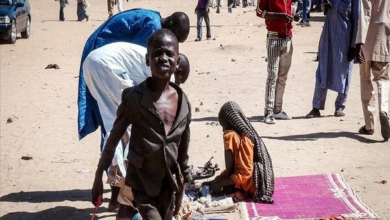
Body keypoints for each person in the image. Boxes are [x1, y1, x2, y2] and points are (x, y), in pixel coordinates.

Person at [91, 29, 192, 220]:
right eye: (157, 53)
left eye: (170, 54)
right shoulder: (134, 98)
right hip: (142, 185)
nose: (163, 58)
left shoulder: (183, 102)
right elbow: (113, 138)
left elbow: (183, 151)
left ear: (177, 62)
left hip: (168, 185)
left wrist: (182, 187)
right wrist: (98, 176)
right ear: (147, 60)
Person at [77, 8, 190, 142]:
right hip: (108, 60)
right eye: (175, 37)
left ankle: (112, 160)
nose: (173, 43)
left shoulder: (153, 18)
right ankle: (122, 159)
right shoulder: (153, 29)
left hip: (98, 58)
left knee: (111, 114)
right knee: (125, 113)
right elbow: (142, 69)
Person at [203, 101, 274, 203]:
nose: (223, 129)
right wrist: (217, 181)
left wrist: (222, 182)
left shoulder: (244, 138)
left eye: (223, 126)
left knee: (229, 136)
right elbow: (238, 166)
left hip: (257, 186)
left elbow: (245, 173)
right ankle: (236, 188)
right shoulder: (241, 135)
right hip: (250, 182)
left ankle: (236, 189)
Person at [306, 0, 359, 119]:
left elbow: (357, 19)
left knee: (344, 72)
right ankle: (316, 107)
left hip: (344, 38)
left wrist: (353, 46)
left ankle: (340, 106)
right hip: (328, 35)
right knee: (322, 70)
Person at [256, 0, 299, 124]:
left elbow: (293, 9)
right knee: (272, 75)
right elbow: (259, 12)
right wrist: (279, 16)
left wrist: (295, 16)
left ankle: (277, 110)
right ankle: (268, 112)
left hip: (288, 38)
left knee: (282, 77)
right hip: (274, 37)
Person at [355, 0, 390, 141]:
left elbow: (365, 13)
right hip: (384, 33)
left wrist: (359, 42)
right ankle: (384, 109)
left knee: (365, 78)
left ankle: (369, 125)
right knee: (383, 78)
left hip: (367, 34)